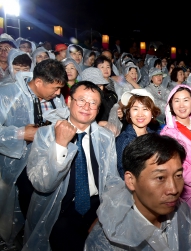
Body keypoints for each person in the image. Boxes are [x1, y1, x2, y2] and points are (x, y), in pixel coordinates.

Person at [23, 81, 118, 251]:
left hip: (97, 205)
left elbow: (111, 178)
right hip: (60, 208)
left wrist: (106, 212)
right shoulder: (45, 134)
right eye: (81, 100)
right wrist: (60, 145)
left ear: (98, 109)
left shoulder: (105, 137)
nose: (87, 107)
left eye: (93, 103)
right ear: (68, 101)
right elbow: (42, 184)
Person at [85, 133, 191, 250]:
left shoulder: (183, 213)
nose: (173, 189)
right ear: (131, 181)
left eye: (178, 175)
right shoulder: (106, 241)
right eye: (160, 178)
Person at [0, 59, 67, 248]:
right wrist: (21, 133)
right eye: (55, 88)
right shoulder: (7, 94)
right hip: (16, 163)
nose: (58, 93)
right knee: (25, 203)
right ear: (39, 82)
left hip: (47, 159)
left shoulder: (55, 97)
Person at [116, 89, 161, 178]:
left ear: (152, 113)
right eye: (135, 109)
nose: (140, 114)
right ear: (129, 113)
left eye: (145, 109)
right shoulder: (124, 140)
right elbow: (123, 173)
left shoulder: (155, 136)